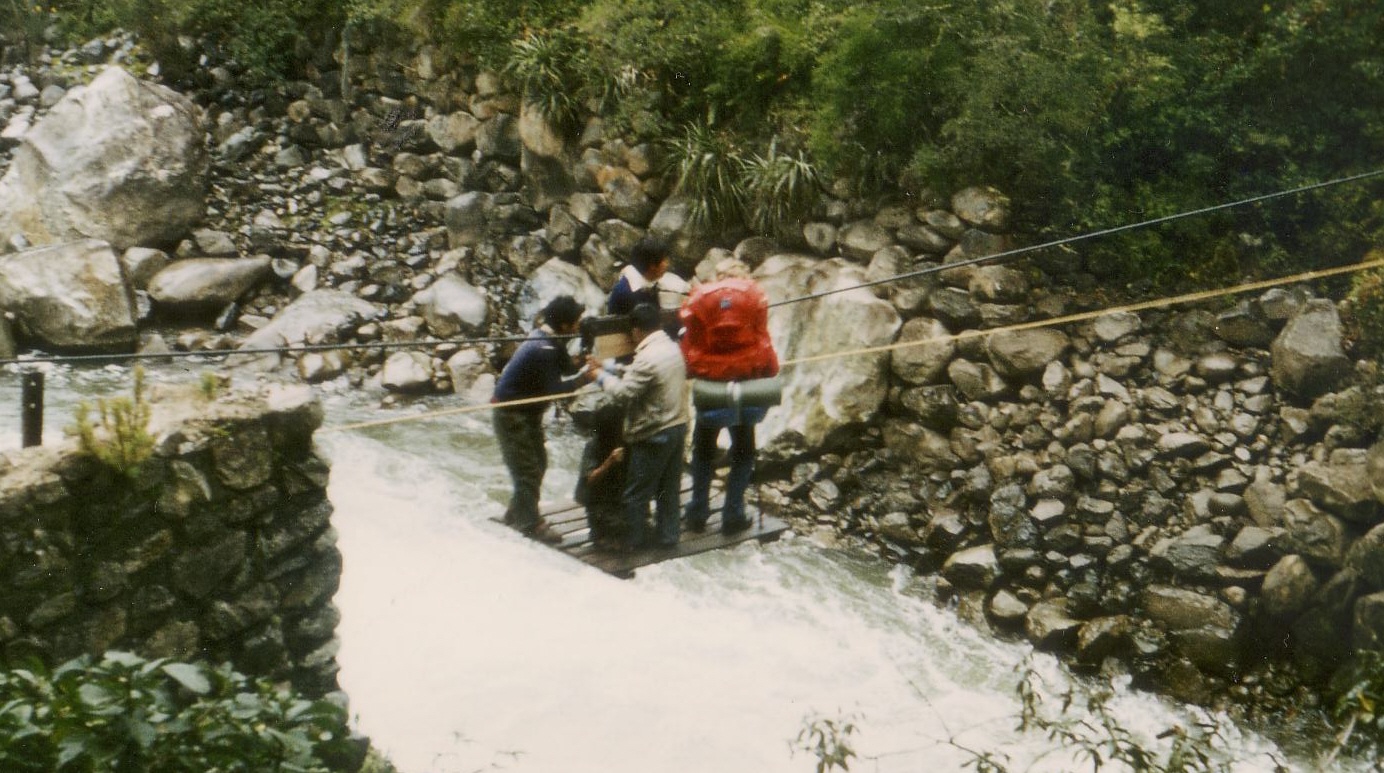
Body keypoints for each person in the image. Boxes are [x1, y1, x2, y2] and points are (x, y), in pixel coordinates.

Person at [679, 258, 779, 535]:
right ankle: (733, 514)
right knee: (744, 451)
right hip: (745, 390)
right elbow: (764, 344)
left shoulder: (704, 302)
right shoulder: (754, 301)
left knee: (703, 451)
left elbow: (690, 346)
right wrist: (770, 371)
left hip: (711, 390)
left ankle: (697, 513)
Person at [586, 303, 688, 550]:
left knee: (636, 494)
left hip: (655, 433)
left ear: (636, 331)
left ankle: (633, 541)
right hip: (678, 425)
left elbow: (623, 393)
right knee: (669, 489)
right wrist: (606, 365)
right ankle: (668, 537)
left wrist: (598, 377)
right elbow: (636, 372)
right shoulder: (671, 347)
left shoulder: (647, 357)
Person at [491, 295, 589, 544]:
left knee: (538, 464)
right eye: (576, 322)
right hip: (512, 414)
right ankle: (530, 524)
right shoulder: (542, 348)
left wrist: (584, 355)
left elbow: (566, 367)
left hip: (528, 413)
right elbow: (558, 390)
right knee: (527, 470)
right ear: (565, 325)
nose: (578, 326)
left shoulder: (550, 340)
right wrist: (586, 379)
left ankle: (516, 513)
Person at [570, 389, 628, 550]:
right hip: (597, 502)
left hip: (614, 498)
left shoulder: (622, 442)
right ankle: (601, 535)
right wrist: (609, 462)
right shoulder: (593, 446)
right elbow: (590, 478)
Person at [607, 236, 670, 316]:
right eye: (665, 260)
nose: (667, 264)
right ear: (652, 266)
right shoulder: (623, 292)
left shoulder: (652, 283)